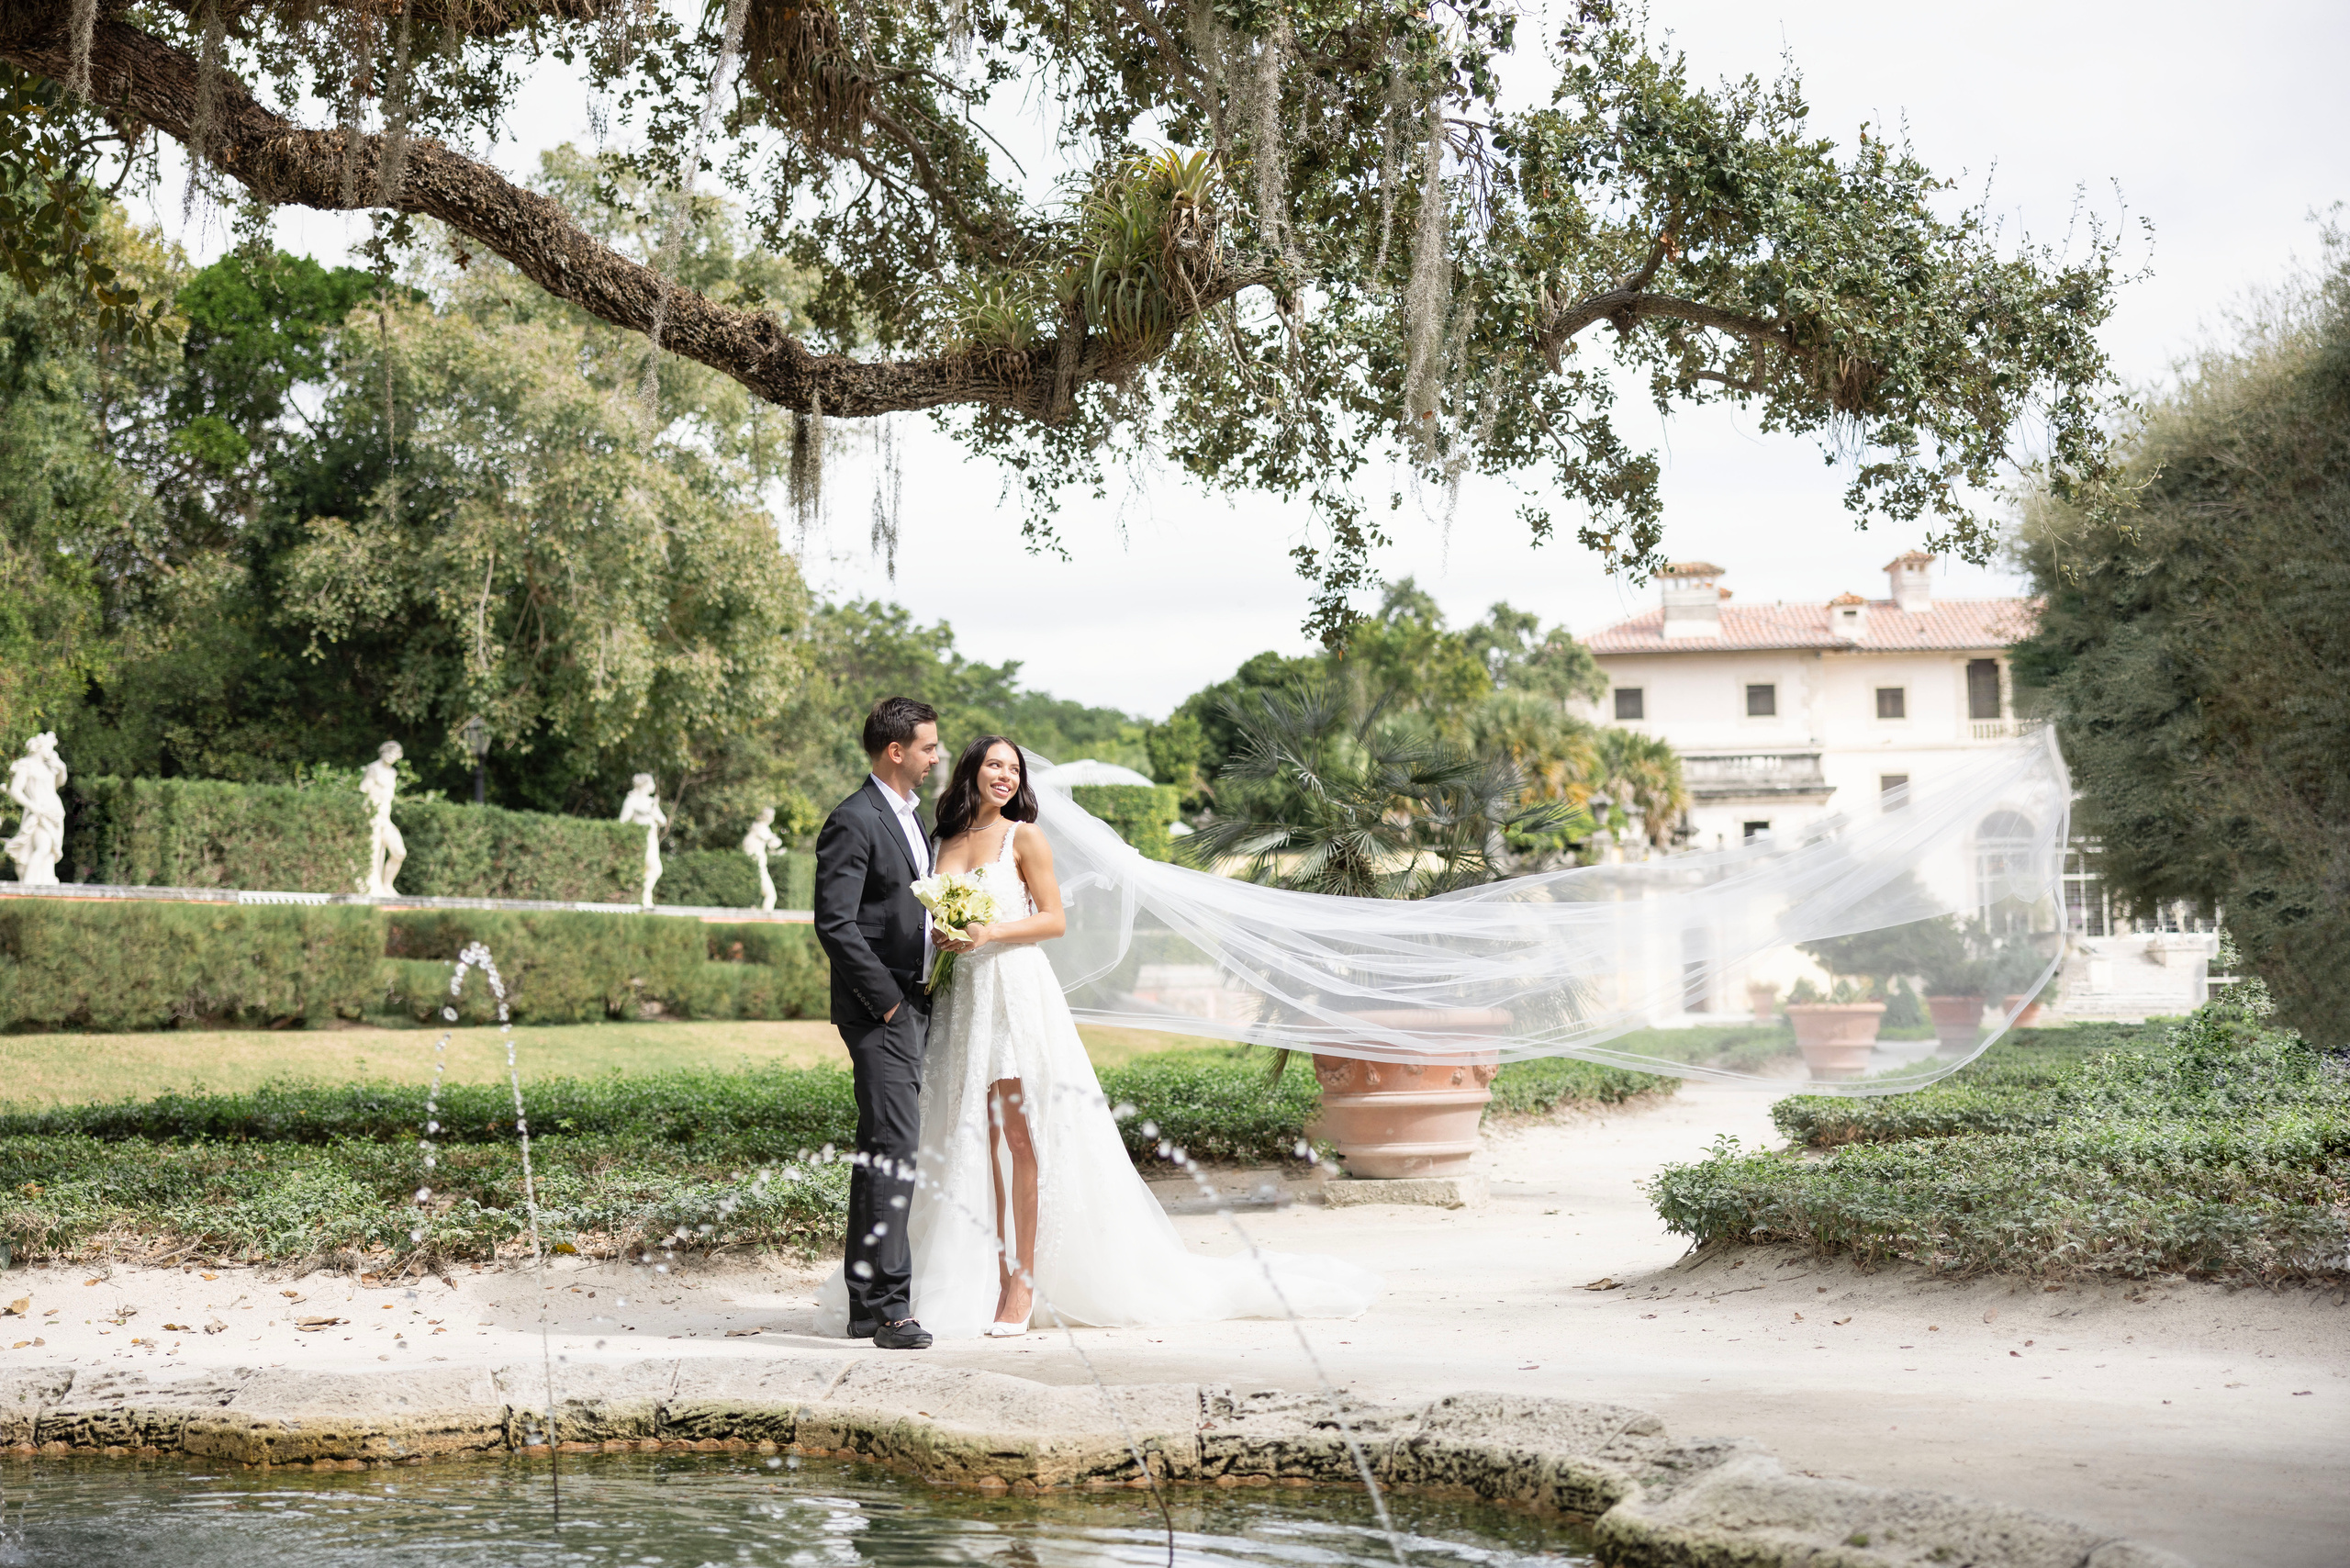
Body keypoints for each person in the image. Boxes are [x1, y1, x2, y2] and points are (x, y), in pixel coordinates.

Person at [817, 734, 1380, 1340]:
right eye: (993, 765)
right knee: (968, 1137)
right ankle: (967, 1275)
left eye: (1013, 768)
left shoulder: (1023, 835)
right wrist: (948, 939)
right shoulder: (940, 841)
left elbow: (1054, 919)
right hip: (960, 1001)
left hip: (1013, 991)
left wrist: (989, 932)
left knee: (1019, 1137)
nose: (1003, 776)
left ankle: (1019, 1284)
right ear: (971, 773)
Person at [811, 697, 944, 1350]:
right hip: (879, 1013)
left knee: (879, 1155)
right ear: (897, 751)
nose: (936, 756)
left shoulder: (914, 821)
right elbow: (834, 923)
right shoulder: (854, 819)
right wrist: (889, 1002)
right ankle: (892, 1311)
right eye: (928, 746)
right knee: (894, 1155)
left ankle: (866, 1306)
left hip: (912, 1003)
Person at [4, 732, 67, 886]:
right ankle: (28, 884)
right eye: (49, 747)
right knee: (43, 847)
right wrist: (33, 807)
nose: (51, 751)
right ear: (40, 747)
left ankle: (44, 881)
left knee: (51, 850)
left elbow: (59, 783)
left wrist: (62, 768)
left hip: (54, 813)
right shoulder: (25, 766)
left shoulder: (48, 766)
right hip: (38, 812)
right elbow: (15, 791)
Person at [357, 741, 406, 897]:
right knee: (372, 856)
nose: (392, 757)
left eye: (395, 754)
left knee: (399, 852)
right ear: (383, 752)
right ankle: (371, 889)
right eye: (389, 753)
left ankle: (387, 885)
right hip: (372, 818)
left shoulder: (392, 773)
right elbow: (363, 791)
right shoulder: (373, 769)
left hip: (386, 819)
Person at [617, 774, 667, 908]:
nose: (654, 786)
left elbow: (663, 821)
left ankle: (644, 899)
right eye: (652, 783)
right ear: (645, 784)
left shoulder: (651, 802)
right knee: (653, 868)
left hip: (652, 840)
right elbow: (622, 822)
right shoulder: (632, 800)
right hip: (639, 839)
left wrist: (653, 811)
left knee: (652, 870)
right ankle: (643, 898)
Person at [742, 806, 784, 911]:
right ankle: (765, 920)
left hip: (757, 865)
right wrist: (777, 842)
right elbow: (773, 842)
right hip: (757, 866)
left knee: (762, 896)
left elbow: (769, 847)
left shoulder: (759, 828)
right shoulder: (760, 828)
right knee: (771, 895)